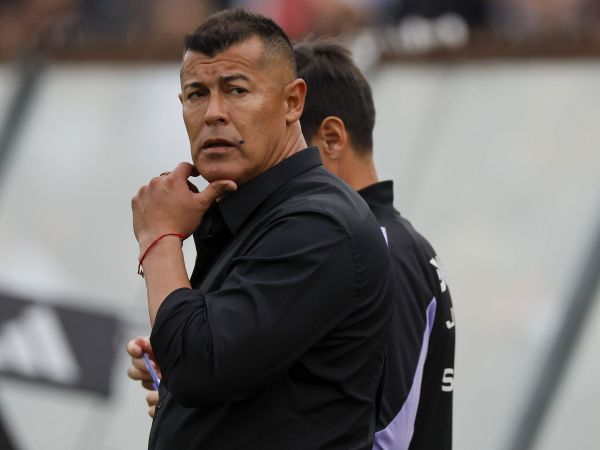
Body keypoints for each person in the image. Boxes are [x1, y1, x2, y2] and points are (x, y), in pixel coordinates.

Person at [129, 9, 394, 450]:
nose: (214, 113)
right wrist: (172, 354)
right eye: (197, 94)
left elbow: (198, 367)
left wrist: (158, 238)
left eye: (236, 90)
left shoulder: (318, 223)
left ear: (293, 102)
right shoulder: (251, 213)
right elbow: (232, 370)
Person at [294, 40, 456, 449]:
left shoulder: (379, 250)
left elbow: (387, 438)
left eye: (282, 148)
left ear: (331, 139)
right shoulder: (371, 243)